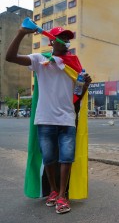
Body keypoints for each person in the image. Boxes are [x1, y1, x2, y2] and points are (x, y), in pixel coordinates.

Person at [6, 24, 92, 214]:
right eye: (62, 37)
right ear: (52, 41)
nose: (66, 41)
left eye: (68, 38)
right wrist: (21, 33)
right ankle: (53, 190)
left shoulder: (74, 65)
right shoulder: (40, 60)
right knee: (49, 159)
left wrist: (84, 85)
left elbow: (76, 94)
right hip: (45, 119)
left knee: (66, 159)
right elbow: (10, 57)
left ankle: (63, 195)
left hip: (67, 119)